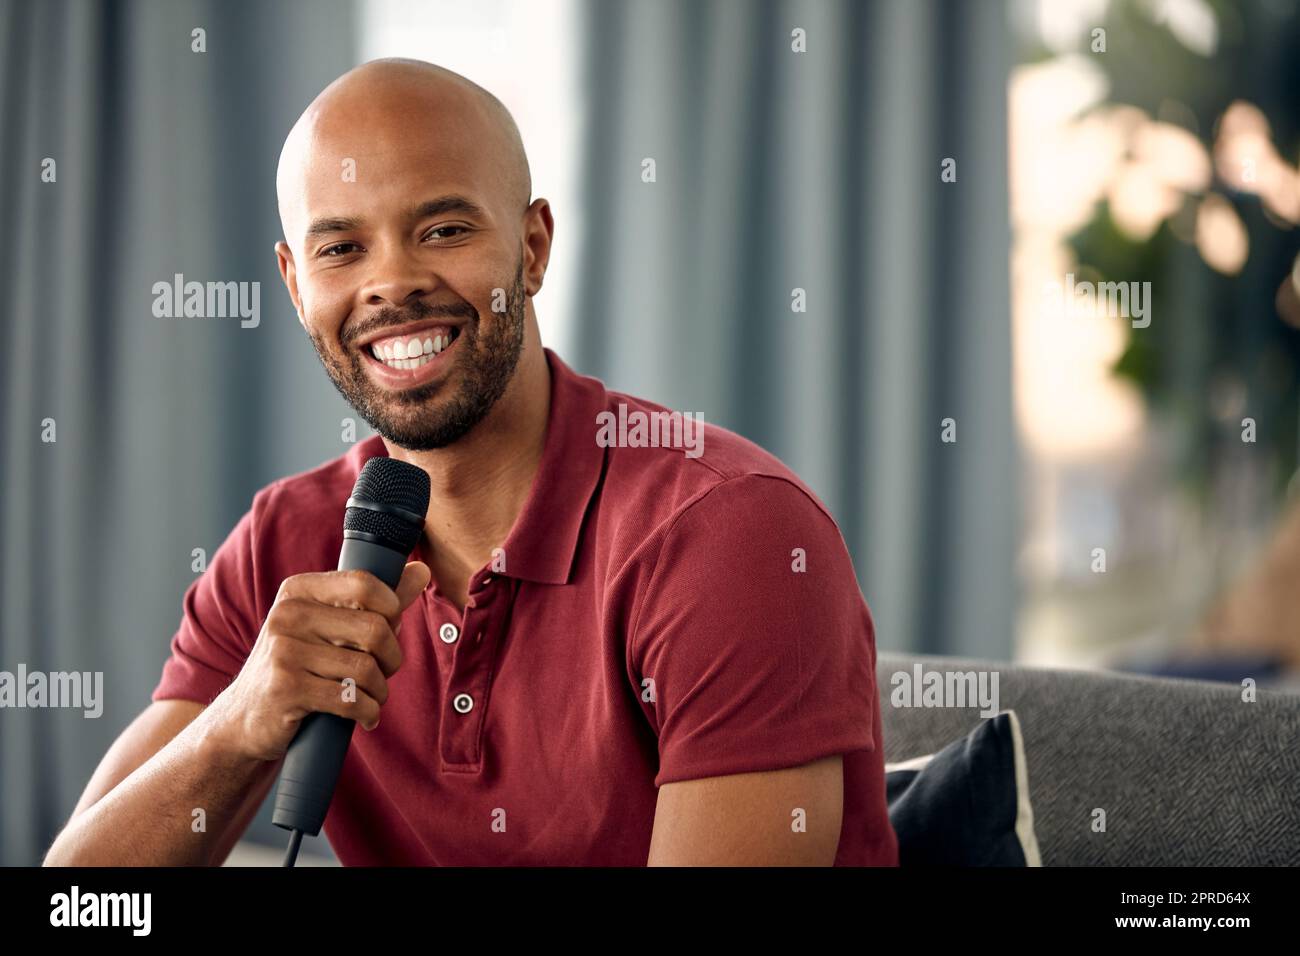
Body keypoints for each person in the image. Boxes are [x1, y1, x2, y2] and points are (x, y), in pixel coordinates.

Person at [44, 59, 898, 866]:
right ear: (297, 284)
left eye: (443, 229)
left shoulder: (731, 535)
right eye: (341, 248)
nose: (393, 283)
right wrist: (241, 719)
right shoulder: (283, 541)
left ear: (530, 249)